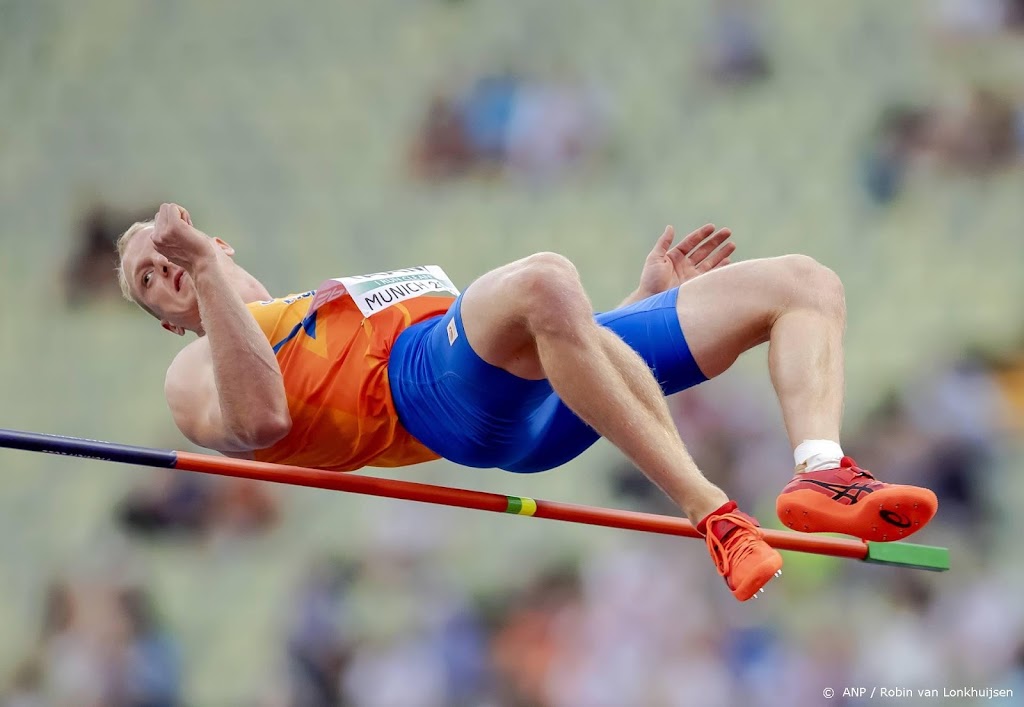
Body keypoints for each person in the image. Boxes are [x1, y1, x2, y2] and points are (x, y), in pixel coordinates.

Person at [116, 204, 938, 602]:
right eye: (149, 277)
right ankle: (713, 513)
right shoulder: (193, 369)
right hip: (428, 393)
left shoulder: (309, 299)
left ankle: (823, 470)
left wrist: (622, 304)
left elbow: (543, 345)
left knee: (801, 283)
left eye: (174, 248)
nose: (167, 265)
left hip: (532, 388)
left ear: (220, 241)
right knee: (541, 275)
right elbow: (262, 423)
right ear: (159, 317)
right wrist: (212, 281)